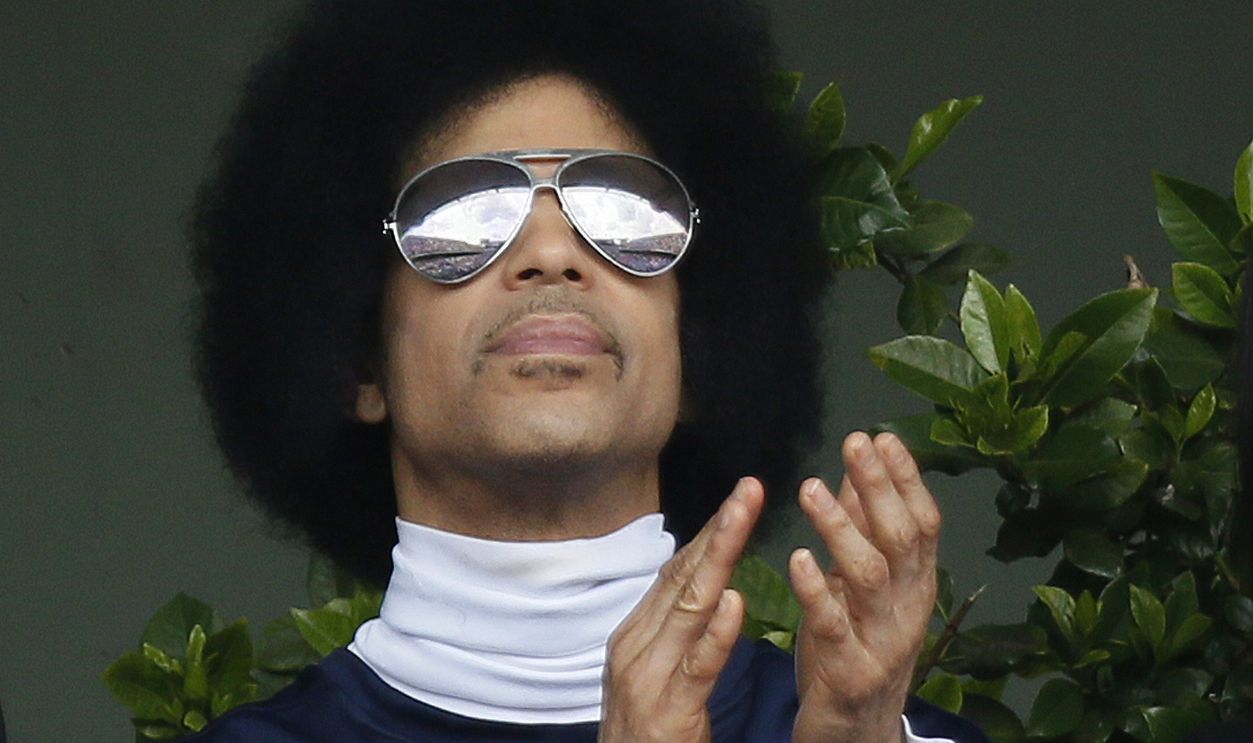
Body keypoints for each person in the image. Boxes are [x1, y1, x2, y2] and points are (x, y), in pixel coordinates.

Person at [186, 1, 988, 740]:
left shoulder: (864, 727)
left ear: (698, 356)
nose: (550, 254)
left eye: (623, 212)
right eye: (464, 215)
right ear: (359, 360)